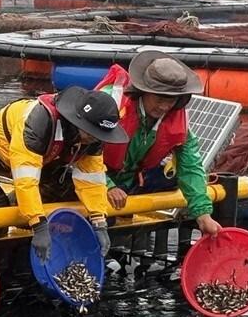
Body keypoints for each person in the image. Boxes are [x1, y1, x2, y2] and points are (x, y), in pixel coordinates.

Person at [0, 86, 128, 260]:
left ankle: (16, 201)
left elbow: (92, 180)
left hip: (43, 159)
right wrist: (38, 225)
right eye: (91, 134)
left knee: (67, 195)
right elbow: (26, 178)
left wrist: (99, 224)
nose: (94, 139)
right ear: (77, 121)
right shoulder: (38, 122)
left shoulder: (93, 139)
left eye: (98, 136)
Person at [94, 52, 222, 237]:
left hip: (130, 180)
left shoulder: (178, 124)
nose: (164, 107)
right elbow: (81, 151)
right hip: (90, 177)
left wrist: (203, 214)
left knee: (169, 178)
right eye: (159, 98)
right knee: (102, 221)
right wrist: (108, 185)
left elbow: (191, 166)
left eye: (170, 101)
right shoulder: (109, 103)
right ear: (143, 91)